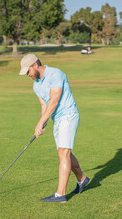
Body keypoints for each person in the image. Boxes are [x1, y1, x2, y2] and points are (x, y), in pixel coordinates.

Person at [19, 54, 90, 203]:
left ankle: (60, 195)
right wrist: (42, 124)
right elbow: (44, 105)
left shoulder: (55, 74)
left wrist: (39, 123)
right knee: (64, 153)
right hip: (57, 118)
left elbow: (54, 100)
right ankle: (82, 179)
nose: (27, 74)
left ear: (35, 65)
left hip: (68, 115)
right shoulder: (36, 85)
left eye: (28, 71)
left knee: (63, 153)